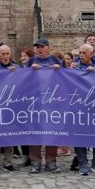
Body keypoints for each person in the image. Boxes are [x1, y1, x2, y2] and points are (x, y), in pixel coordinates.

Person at [27, 39, 61, 174]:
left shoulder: (54, 60)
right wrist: (30, 71)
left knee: (52, 132)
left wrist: (59, 70)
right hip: (35, 102)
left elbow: (65, 77)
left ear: (48, 48)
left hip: (52, 102)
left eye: (42, 47)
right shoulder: (31, 61)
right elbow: (23, 78)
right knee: (35, 132)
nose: (40, 49)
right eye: (37, 47)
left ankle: (51, 161)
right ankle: (35, 161)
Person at [71, 44, 95, 176]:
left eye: (84, 53)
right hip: (79, 105)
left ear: (91, 54)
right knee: (79, 134)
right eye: (80, 52)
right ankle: (82, 163)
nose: (81, 55)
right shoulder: (74, 67)